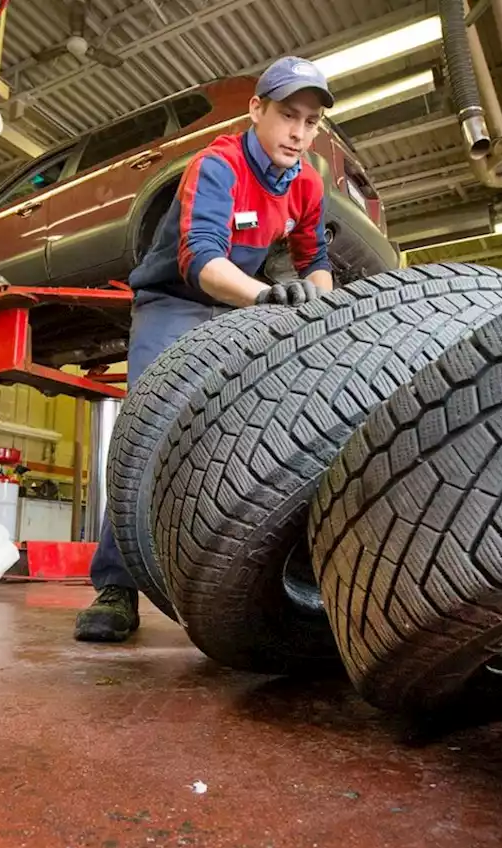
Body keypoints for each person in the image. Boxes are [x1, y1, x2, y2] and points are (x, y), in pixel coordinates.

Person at [73, 56, 338, 643]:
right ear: (256, 111)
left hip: (237, 303)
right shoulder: (218, 165)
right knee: (149, 433)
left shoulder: (308, 183)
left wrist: (322, 313)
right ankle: (116, 585)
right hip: (175, 300)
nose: (299, 132)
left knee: (263, 429)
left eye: (311, 122)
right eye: (287, 116)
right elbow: (201, 260)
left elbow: (315, 261)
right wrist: (269, 297)